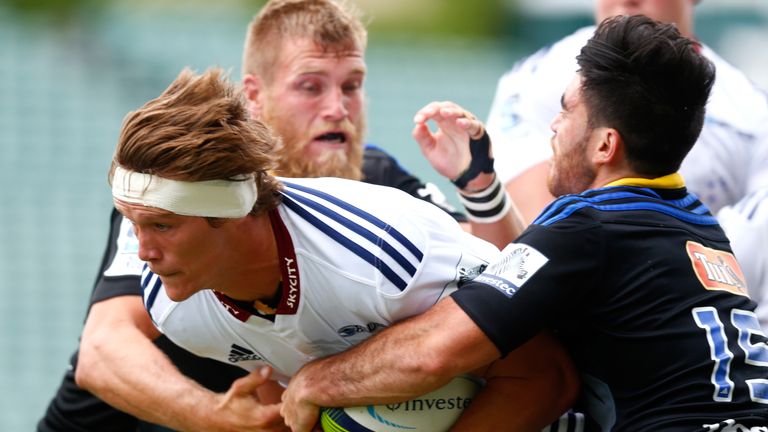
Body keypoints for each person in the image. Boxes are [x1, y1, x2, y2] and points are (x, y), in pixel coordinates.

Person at [280, 15, 768, 431]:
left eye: (566, 110)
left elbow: (433, 352)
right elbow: (525, 277)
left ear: (605, 146)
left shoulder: (589, 223)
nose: (553, 125)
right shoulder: (698, 226)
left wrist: (313, 382)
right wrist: (481, 187)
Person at [37, 1, 502, 430]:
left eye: (352, 86)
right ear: (254, 96)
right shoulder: (174, 193)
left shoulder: (378, 188)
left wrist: (480, 188)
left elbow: (499, 292)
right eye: (310, 87)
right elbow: (103, 351)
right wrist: (218, 419)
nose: (337, 108)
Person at [107, 66, 580, 431]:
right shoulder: (175, 308)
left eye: (163, 226)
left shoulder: (381, 251)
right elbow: (293, 398)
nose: (143, 252)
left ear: (232, 215)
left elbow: (544, 376)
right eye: (134, 225)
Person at [484, 0, 768, 322]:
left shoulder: (752, 110)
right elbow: (532, 243)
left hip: (694, 324)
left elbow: (751, 262)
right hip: (573, 319)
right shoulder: (539, 76)